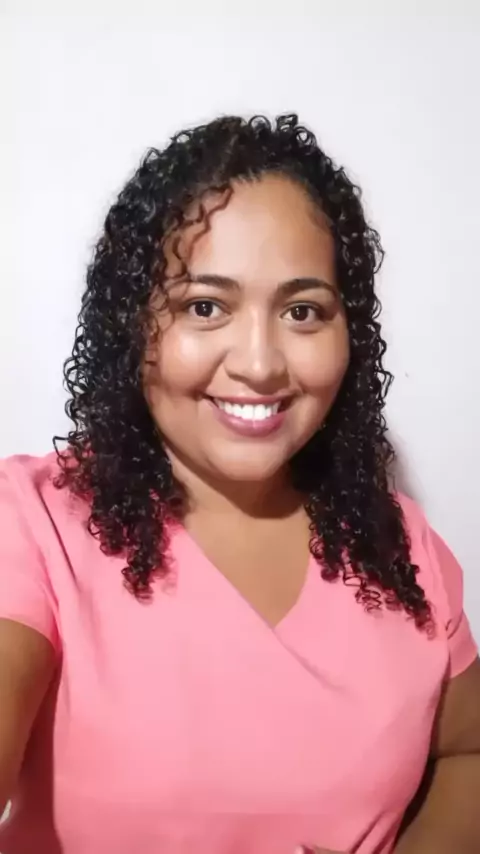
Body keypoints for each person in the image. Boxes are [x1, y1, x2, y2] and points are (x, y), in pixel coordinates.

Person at [0, 113, 478, 854]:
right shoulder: (32, 523)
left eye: (302, 311)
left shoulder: (400, 545)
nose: (259, 363)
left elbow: (468, 753)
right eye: (205, 306)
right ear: (134, 325)